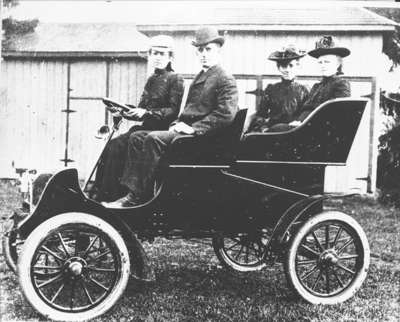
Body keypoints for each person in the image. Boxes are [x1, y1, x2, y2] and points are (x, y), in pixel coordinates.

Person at [103, 26, 239, 208]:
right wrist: (176, 124)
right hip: (187, 134)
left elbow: (225, 114)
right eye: (200, 50)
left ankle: (136, 197)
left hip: (203, 139)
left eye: (209, 49)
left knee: (153, 138)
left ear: (218, 50)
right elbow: (187, 112)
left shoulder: (224, 78)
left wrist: (193, 128)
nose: (204, 54)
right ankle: (132, 193)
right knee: (137, 137)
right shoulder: (202, 76)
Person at [93, 35, 184, 201]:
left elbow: (173, 111)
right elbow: (141, 109)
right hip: (144, 128)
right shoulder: (152, 80)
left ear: (170, 57)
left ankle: (117, 196)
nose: (157, 57)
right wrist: (123, 112)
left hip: (159, 132)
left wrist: (146, 113)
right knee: (112, 146)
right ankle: (100, 194)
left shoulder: (175, 79)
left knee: (120, 145)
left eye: (162, 54)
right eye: (154, 53)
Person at [269, 35, 351, 132]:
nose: (323, 66)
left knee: (276, 130)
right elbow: (307, 109)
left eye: (327, 62)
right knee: (276, 129)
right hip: (307, 126)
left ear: (337, 64)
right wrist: (299, 121)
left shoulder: (341, 84)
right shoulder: (317, 86)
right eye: (320, 62)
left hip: (322, 130)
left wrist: (304, 123)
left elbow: (335, 113)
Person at [249, 45, 309, 132]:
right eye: (283, 66)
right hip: (273, 132)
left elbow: (307, 113)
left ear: (297, 66)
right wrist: (263, 128)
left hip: (294, 132)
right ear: (278, 68)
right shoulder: (271, 90)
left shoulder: (304, 90)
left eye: (291, 65)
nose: (287, 70)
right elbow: (261, 114)